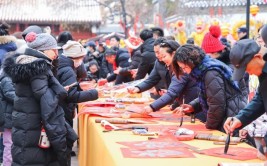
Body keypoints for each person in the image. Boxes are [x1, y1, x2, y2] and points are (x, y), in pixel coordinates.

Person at [3, 45, 77, 166]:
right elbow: (48, 106)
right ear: (43, 51)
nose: (56, 53)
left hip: (24, 125)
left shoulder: (23, 67)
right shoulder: (39, 71)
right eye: (53, 50)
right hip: (35, 128)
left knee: (24, 154)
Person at [172, 44, 247, 132]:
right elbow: (210, 95)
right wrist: (192, 106)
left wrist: (209, 126)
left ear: (191, 62)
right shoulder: (206, 67)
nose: (185, 71)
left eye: (184, 68)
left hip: (229, 118)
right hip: (228, 115)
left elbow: (216, 104)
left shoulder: (210, 72)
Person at [224, 38, 267, 159]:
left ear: (258, 57)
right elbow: (261, 99)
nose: (249, 73)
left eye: (247, 68)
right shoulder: (263, 73)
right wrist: (240, 118)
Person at [140, 40, 199, 115]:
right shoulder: (174, 67)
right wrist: (174, 105)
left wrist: (152, 107)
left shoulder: (182, 69)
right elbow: (176, 90)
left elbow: (172, 93)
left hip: (195, 109)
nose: (163, 59)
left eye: (164, 56)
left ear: (174, 54)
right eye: (161, 57)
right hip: (189, 106)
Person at [58, 40, 99, 127]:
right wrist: (95, 93)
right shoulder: (68, 70)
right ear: (75, 58)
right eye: (81, 59)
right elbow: (72, 96)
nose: (81, 62)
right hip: (63, 110)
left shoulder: (61, 64)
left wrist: (78, 86)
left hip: (60, 109)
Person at [0, 22, 17, 166]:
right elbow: (9, 93)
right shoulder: (12, 49)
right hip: (9, 115)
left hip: (7, 114)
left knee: (8, 142)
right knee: (9, 143)